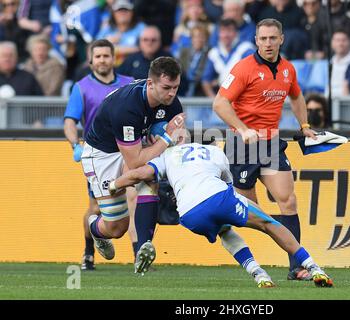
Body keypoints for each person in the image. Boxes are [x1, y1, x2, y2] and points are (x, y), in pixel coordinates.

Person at [107, 138, 333, 288]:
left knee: (225, 231)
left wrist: (114, 184)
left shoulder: (166, 156)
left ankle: (258, 273)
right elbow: (228, 184)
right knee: (269, 224)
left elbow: (140, 174)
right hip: (217, 197)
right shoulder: (215, 151)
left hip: (189, 215)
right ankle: (313, 267)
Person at [212, 18, 318, 281]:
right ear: (256, 41)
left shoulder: (288, 70)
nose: (268, 43)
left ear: (281, 39)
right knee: (248, 212)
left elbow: (296, 96)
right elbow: (220, 104)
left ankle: (296, 267)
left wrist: (304, 125)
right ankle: (226, 227)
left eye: (273, 38)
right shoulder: (244, 68)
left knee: (288, 200)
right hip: (241, 145)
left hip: (270, 143)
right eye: (263, 39)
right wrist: (243, 128)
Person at [80, 56, 185, 273]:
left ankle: (142, 251)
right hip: (102, 155)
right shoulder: (128, 107)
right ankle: (94, 228)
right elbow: (135, 160)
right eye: (166, 87)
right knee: (116, 228)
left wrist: (177, 138)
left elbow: (178, 135)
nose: (172, 93)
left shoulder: (170, 101)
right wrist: (166, 138)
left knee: (148, 176)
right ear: (150, 83)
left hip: (135, 145)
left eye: (176, 87)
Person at [63, 39, 134, 270]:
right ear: (91, 60)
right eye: (98, 56)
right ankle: (88, 251)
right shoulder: (81, 87)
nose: (103, 60)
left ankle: (140, 253)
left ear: (114, 58)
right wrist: (75, 144)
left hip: (128, 152)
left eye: (106, 55)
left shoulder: (129, 84)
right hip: (100, 156)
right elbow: (70, 122)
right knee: (95, 208)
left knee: (137, 199)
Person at [201, 18, 254, 98]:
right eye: (222, 31)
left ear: (236, 33)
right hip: (224, 99)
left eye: (229, 31)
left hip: (245, 97)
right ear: (218, 34)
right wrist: (214, 99)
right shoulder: (214, 53)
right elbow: (206, 79)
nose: (226, 35)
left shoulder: (247, 49)